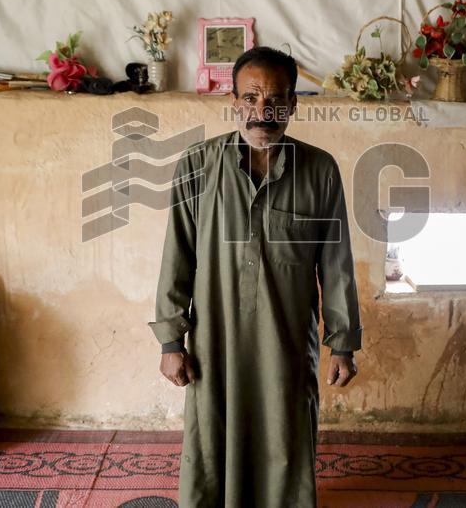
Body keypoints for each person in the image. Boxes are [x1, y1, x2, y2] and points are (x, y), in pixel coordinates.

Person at [148, 46, 363, 507]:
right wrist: (171, 341)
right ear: (234, 101)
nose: (263, 112)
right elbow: (177, 256)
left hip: (285, 342)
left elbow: (336, 262)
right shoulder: (197, 165)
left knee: (285, 435)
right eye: (251, 99)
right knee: (212, 437)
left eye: (275, 100)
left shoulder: (320, 170)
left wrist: (341, 342)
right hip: (215, 342)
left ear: (293, 105)